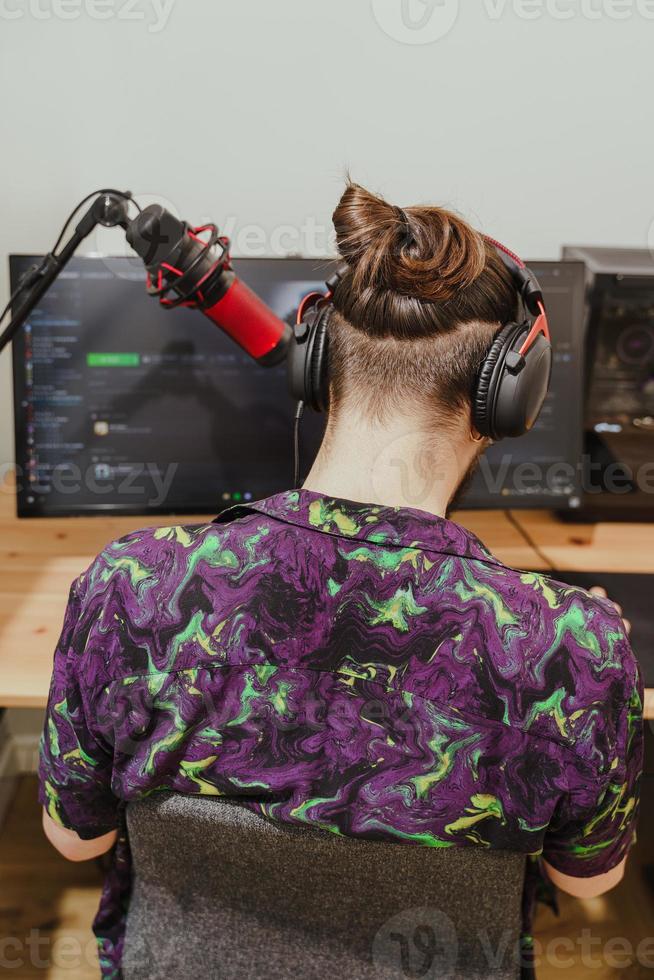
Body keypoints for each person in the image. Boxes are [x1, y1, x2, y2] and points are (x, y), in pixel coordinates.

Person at [39, 182, 643, 979]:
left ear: (316, 361)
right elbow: (584, 875)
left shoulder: (132, 587)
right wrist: (584, 658)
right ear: (510, 394)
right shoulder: (574, 650)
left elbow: (76, 837)